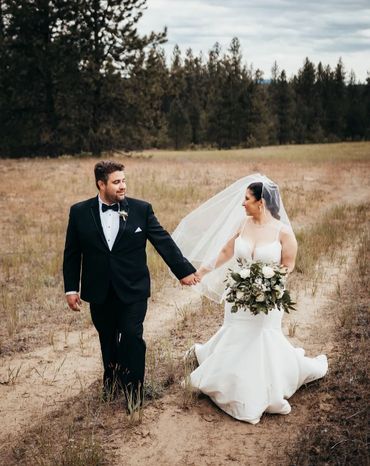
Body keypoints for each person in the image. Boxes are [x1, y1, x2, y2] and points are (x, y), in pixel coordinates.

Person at [172, 173, 328, 424]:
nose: (242, 203)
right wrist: (201, 272)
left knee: (261, 339)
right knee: (235, 333)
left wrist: (268, 285)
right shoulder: (243, 225)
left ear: (261, 202)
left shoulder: (283, 232)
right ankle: (227, 379)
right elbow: (226, 250)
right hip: (239, 296)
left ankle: (258, 390)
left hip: (267, 300)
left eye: (246, 199)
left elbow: (288, 265)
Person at [63, 160, 198, 405]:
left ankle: (134, 392)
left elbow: (163, 241)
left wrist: (183, 271)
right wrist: (71, 289)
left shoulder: (141, 210)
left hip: (133, 289)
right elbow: (72, 253)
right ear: (100, 184)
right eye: (116, 182)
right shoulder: (79, 212)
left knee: (132, 337)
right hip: (99, 290)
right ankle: (112, 381)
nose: (123, 186)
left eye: (124, 181)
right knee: (107, 338)